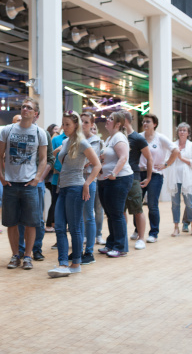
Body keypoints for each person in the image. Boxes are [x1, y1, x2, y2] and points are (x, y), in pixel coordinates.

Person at [0, 97, 48, 270]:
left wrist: (37, 178)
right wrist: (1, 177)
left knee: (31, 222)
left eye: (29, 107)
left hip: (29, 185)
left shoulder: (39, 133)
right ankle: (14, 255)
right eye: (23, 106)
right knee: (11, 222)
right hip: (10, 184)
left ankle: (28, 256)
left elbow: (43, 159)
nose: (24, 109)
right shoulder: (8, 130)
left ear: (35, 114)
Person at [48, 111, 101, 277]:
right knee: (59, 227)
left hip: (76, 188)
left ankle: (76, 262)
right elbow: (59, 159)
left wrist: (87, 183)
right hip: (62, 188)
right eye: (63, 124)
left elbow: (97, 165)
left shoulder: (82, 143)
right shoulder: (65, 142)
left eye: (67, 124)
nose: (64, 127)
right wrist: (55, 153)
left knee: (75, 228)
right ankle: (63, 264)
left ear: (75, 125)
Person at [17, 111, 55, 261]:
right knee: (19, 218)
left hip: (37, 183)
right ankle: (20, 250)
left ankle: (36, 249)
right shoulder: (16, 133)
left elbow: (50, 159)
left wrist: (40, 178)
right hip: (18, 181)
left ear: (36, 115)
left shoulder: (43, 133)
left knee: (37, 219)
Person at [97, 111, 134, 258]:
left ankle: (120, 247)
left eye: (110, 119)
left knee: (117, 213)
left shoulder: (119, 137)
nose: (107, 120)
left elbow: (123, 157)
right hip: (106, 179)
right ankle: (111, 243)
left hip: (119, 179)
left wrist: (114, 173)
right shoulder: (109, 138)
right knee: (110, 214)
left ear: (118, 124)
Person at [139, 114, 179, 243]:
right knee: (136, 203)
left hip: (156, 174)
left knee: (152, 204)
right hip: (140, 173)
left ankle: (153, 233)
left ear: (154, 124)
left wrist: (166, 164)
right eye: (144, 121)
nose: (145, 124)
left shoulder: (160, 138)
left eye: (148, 122)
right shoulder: (139, 137)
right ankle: (137, 230)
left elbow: (175, 150)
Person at [121, 109, 152, 250]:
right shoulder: (118, 137)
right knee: (121, 210)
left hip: (133, 177)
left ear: (125, 121)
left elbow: (149, 158)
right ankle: (122, 237)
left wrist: (149, 177)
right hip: (119, 177)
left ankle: (141, 238)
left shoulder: (137, 138)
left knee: (137, 209)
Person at [78, 112, 103, 264]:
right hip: (76, 180)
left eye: (86, 122)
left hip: (89, 180)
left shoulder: (96, 141)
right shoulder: (76, 139)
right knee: (78, 217)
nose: (83, 124)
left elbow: (90, 161)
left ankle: (89, 252)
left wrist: (83, 160)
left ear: (92, 124)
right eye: (81, 121)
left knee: (88, 215)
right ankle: (78, 249)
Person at [165, 122, 192, 236]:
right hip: (175, 178)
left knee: (189, 203)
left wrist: (181, 157)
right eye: (180, 130)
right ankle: (176, 227)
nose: (182, 132)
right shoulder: (173, 145)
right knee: (175, 204)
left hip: (187, 179)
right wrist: (174, 156)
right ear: (177, 132)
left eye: (184, 130)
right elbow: (168, 160)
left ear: (188, 133)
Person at [45, 123, 60, 231]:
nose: (57, 131)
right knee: (55, 201)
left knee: (55, 201)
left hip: (51, 177)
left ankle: (51, 223)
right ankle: (50, 224)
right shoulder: (53, 140)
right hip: (51, 178)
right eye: (55, 129)